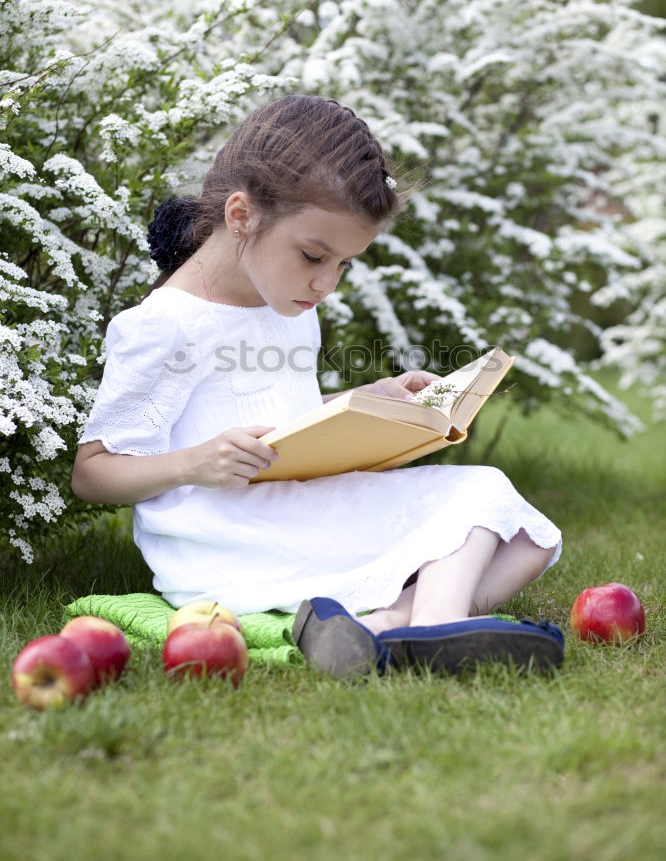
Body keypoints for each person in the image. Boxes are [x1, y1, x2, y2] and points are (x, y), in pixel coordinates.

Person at [72, 94, 564, 679]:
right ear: (241, 216)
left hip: (294, 505)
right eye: (314, 255)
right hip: (224, 540)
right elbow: (93, 472)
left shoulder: (289, 302)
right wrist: (196, 462)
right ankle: (432, 628)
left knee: (528, 535)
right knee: (480, 499)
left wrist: (367, 401)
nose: (326, 283)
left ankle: (387, 631)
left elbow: (280, 414)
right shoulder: (164, 325)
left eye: (344, 265)